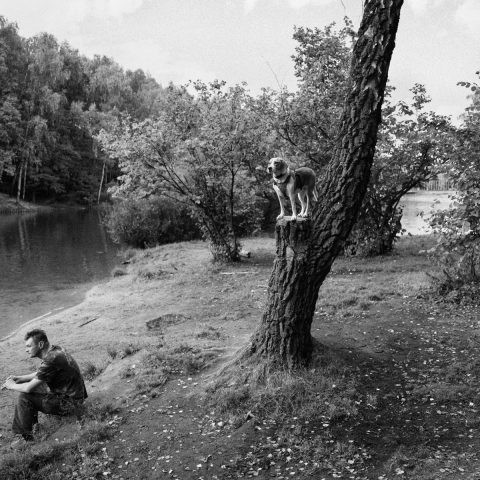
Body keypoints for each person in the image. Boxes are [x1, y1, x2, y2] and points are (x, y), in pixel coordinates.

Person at [1, 329, 88, 442]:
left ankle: (27, 438)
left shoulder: (51, 359)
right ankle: (33, 427)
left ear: (41, 344)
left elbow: (28, 388)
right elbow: (42, 373)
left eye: (29, 346)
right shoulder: (55, 350)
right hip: (76, 396)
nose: (26, 350)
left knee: (25, 397)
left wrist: (11, 385)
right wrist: (20, 378)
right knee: (32, 390)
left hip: (71, 404)